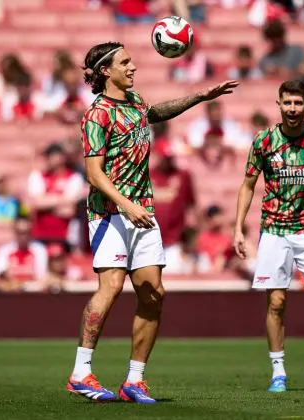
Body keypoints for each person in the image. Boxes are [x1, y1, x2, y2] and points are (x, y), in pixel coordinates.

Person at [67, 41, 239, 403]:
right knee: (111, 287)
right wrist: (126, 205)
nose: (133, 67)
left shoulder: (134, 103)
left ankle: (134, 380)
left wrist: (200, 97)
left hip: (141, 212)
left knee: (154, 293)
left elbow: (156, 112)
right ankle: (81, 372)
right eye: (125, 63)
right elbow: (94, 174)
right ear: (105, 71)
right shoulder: (97, 114)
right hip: (111, 213)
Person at [232, 80, 304, 394]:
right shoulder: (264, 140)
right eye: (288, 103)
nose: (293, 109)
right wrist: (239, 226)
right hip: (273, 231)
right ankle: (278, 371)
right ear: (279, 104)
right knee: (277, 302)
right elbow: (247, 184)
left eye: (298, 103)